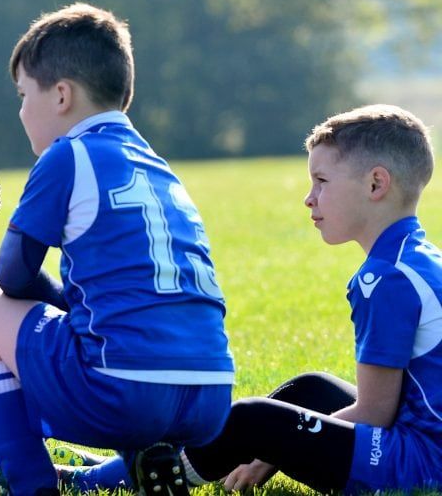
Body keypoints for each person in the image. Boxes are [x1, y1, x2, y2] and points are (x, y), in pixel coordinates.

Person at [0, 3, 234, 496]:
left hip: (122, 392)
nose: (21, 111)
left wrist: (69, 304)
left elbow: (13, 276)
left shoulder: (68, 154)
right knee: (116, 330)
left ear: (61, 95)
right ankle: (145, 464)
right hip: (211, 394)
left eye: (25, 95)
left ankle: (28, 481)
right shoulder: (157, 165)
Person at [165, 105, 442, 493]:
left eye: (322, 181)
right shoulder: (419, 257)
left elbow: (376, 413)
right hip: (423, 441)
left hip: (424, 462)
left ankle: (138, 476)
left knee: (254, 421)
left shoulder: (386, 278)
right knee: (310, 389)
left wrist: (272, 449)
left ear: (376, 184)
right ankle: (145, 461)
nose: (309, 199)